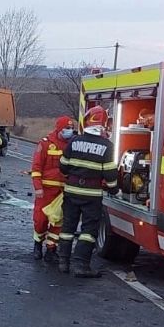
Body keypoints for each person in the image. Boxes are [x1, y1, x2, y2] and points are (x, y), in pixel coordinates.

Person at [58, 106, 119, 277]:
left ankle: (63, 262)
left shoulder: (74, 141)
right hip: (92, 195)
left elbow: (63, 166)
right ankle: (81, 265)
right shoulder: (107, 146)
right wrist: (114, 189)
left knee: (68, 226)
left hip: (71, 191)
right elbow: (110, 173)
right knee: (88, 230)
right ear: (104, 123)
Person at [30, 116, 75, 265]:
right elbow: (36, 167)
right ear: (59, 129)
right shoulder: (45, 144)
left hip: (63, 191)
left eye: (71, 128)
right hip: (46, 190)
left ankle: (51, 250)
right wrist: (38, 187)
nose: (69, 131)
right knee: (40, 220)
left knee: (58, 221)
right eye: (67, 128)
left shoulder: (72, 145)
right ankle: (38, 244)